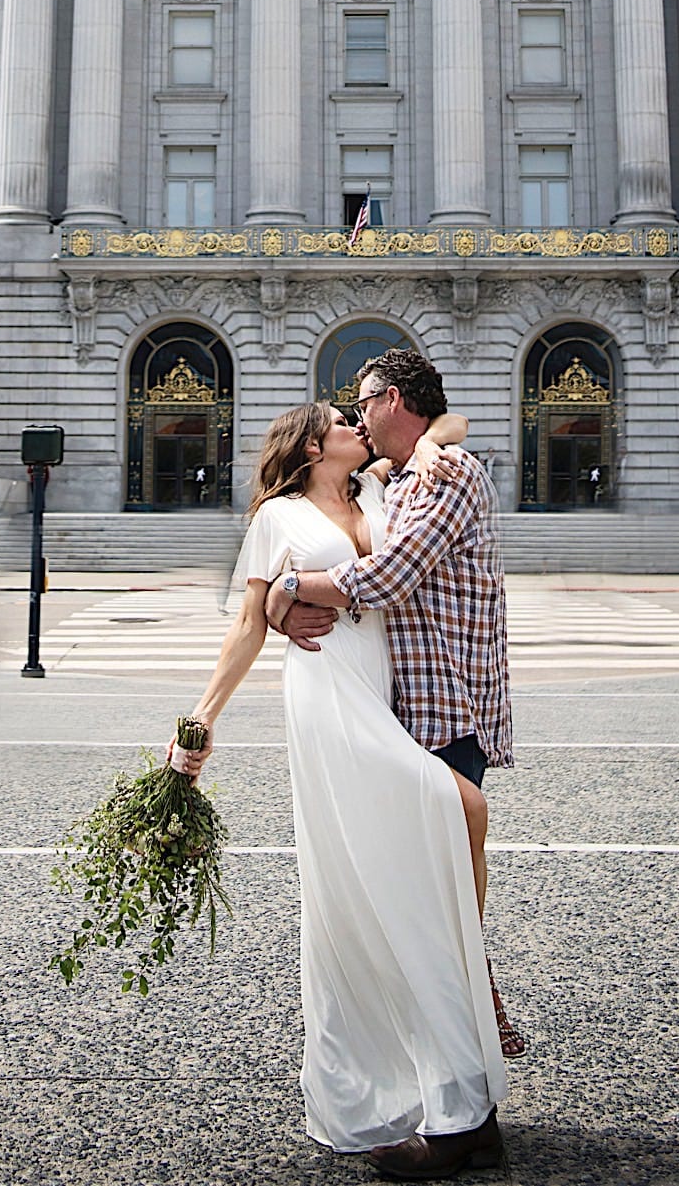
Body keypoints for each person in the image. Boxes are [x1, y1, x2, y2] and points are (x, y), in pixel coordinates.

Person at [171, 390, 506, 1177]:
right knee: (460, 806)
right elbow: (249, 625)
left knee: (395, 892)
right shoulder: (277, 518)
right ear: (313, 446)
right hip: (327, 698)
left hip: (382, 697)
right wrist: (200, 722)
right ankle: (451, 1101)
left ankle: (458, 1100)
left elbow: (449, 423)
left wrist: (422, 448)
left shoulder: (380, 487)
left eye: (359, 416)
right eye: (339, 421)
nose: (356, 426)